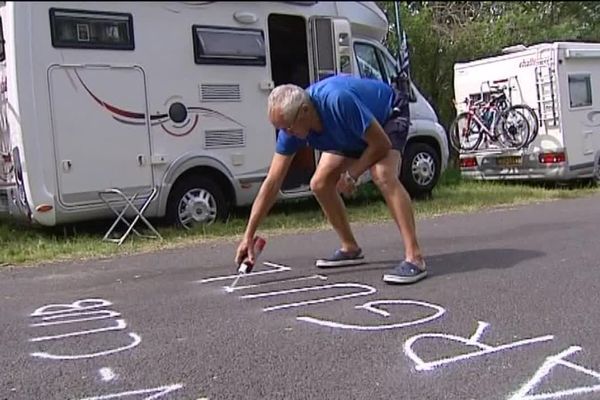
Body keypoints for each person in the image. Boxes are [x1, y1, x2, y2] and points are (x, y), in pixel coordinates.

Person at [235, 74, 427, 284]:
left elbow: (380, 143)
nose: (285, 133)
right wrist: (248, 235)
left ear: (305, 112)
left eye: (288, 127)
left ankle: (415, 258)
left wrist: (353, 174)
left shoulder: (338, 101)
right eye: (280, 129)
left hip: (386, 116)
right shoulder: (292, 128)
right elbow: (272, 182)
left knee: (382, 174)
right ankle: (350, 248)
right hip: (350, 131)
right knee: (319, 183)